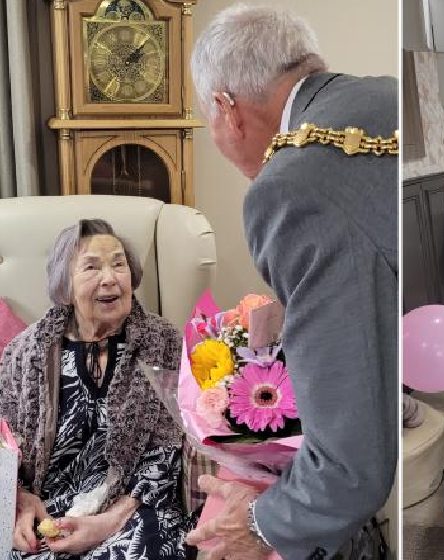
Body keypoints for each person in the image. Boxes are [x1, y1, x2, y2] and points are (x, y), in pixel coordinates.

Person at [187, 5, 398, 560]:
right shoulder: (387, 94)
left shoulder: (288, 188)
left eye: (209, 121)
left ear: (226, 107)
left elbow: (350, 466)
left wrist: (261, 527)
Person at [0, 219, 191, 559]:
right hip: (46, 506)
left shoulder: (163, 342)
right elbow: (5, 442)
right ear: (65, 284)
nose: (110, 278)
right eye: (91, 267)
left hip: (135, 505)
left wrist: (108, 521)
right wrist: (18, 500)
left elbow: (171, 446)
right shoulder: (25, 353)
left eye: (119, 264)